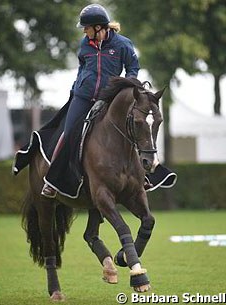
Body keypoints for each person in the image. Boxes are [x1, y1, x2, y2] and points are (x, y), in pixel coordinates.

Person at [41, 3, 140, 198]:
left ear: (98, 27)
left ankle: (141, 176)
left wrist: (128, 87)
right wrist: (77, 87)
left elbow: (132, 68)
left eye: (86, 27)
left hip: (109, 99)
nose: (84, 31)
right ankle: (53, 181)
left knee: (132, 130)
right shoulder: (85, 44)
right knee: (68, 133)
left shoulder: (123, 44)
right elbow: (82, 67)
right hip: (83, 97)